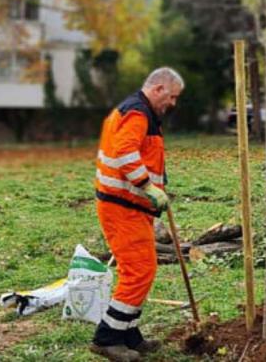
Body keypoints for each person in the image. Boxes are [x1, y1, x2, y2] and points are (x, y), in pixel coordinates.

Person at [90, 67, 184, 362]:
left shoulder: (140, 112)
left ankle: (128, 334)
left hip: (130, 206)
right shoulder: (137, 113)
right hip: (121, 208)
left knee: (142, 270)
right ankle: (106, 338)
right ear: (157, 89)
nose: (173, 103)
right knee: (139, 271)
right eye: (172, 97)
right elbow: (125, 152)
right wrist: (148, 187)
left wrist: (152, 194)